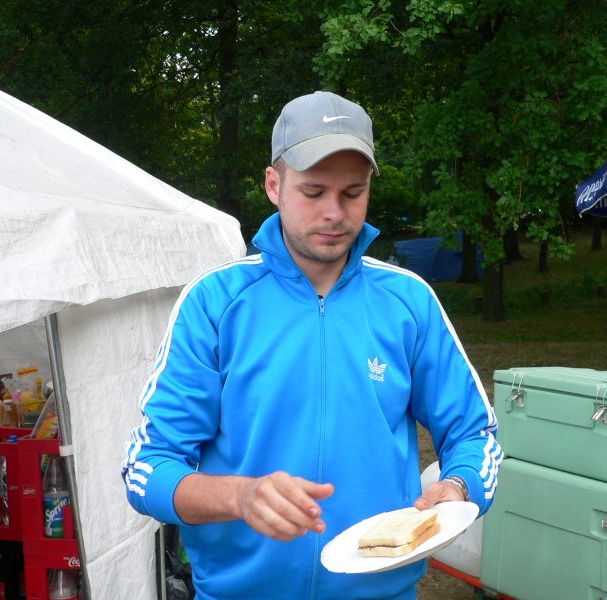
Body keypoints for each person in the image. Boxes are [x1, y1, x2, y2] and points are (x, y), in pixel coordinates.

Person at [123, 91, 502, 600]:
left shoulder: (408, 301)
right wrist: (239, 496)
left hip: (381, 592)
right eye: (314, 191)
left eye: (353, 193)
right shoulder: (214, 303)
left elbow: (475, 432)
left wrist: (458, 487)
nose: (334, 213)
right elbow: (148, 467)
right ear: (273, 185)